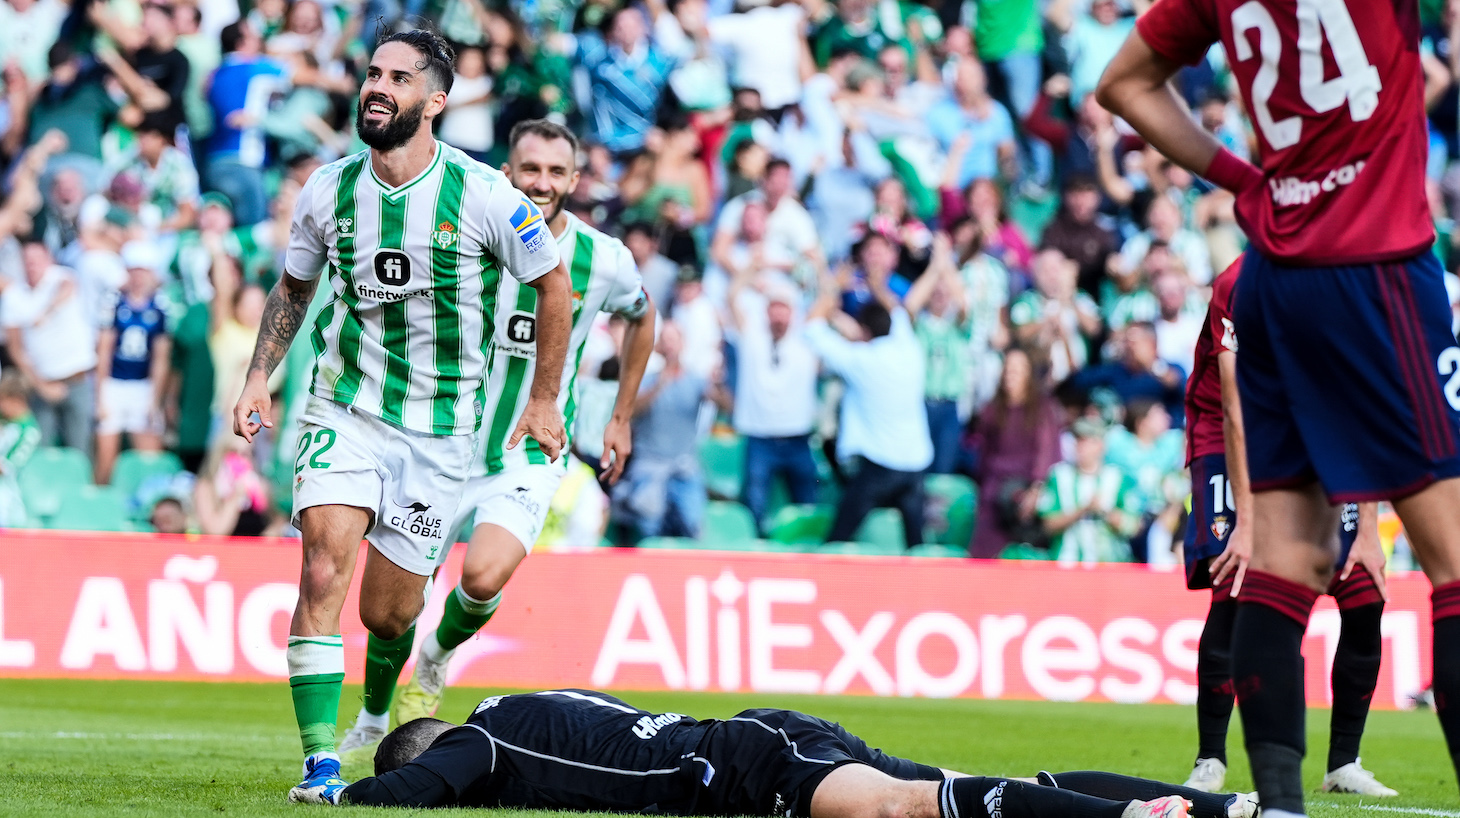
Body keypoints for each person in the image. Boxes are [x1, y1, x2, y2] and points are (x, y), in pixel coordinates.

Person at [1097, 1, 1460, 813]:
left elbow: (1122, 84)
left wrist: (1245, 179)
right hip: (1379, 269)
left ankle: (1281, 806)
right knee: (1455, 561)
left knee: (1284, 568)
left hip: (1273, 277)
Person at [228, 30, 573, 804]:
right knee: (321, 565)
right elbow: (292, 291)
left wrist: (545, 397)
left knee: (388, 615)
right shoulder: (327, 189)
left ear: (435, 101)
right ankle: (320, 763)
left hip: (441, 430)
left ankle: (381, 703)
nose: (377, 87)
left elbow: (554, 286)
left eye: (397, 78)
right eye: (372, 74)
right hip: (344, 406)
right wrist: (259, 378)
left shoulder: (484, 194)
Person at [337, 119, 657, 759]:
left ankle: (434, 659)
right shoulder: (466, 235)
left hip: (525, 450)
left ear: (574, 180)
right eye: (529, 169)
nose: (541, 182)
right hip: (440, 442)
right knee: (393, 608)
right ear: (507, 172)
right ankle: (373, 717)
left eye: (554, 172)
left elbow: (642, 316)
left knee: (482, 577)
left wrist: (620, 415)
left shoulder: (604, 260)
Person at [302, 686, 1258, 818]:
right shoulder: (540, 704)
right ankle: (1230, 807)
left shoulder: (481, 733)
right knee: (965, 789)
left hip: (744, 763)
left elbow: (428, 782)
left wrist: (343, 795)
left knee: (904, 811)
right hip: (759, 731)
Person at [1179, 260, 1394, 797]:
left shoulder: (1346, 284)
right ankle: (1210, 760)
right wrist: (1248, 525)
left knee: (1364, 594)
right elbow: (1233, 408)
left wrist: (1368, 529)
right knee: (1235, 585)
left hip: (1308, 426)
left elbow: (1361, 403)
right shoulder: (1236, 284)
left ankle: (1344, 763)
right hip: (1226, 434)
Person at [807, 278, 932, 547]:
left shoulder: (861, 360)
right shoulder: (910, 349)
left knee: (838, 540)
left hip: (879, 467)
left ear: (863, 331)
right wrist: (876, 283)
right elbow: (896, 311)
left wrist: (832, 285)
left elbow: (812, 328)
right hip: (914, 467)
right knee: (917, 550)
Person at [727, 272, 820, 532]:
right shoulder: (751, 339)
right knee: (753, 508)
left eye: (784, 310)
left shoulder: (807, 340)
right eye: (774, 309)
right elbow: (732, 297)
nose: (779, 317)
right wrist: (753, 267)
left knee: (808, 507)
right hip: (760, 438)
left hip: (798, 439)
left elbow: (828, 299)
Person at [2, 238, 99, 453]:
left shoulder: (61, 277)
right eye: (27, 260)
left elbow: (67, 288)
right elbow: (16, 348)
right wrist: (41, 385)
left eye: (36, 259)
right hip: (42, 384)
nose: (31, 265)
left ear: (49, 260)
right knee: (41, 449)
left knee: (80, 450)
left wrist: (46, 312)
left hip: (77, 380)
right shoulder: (15, 295)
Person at [94, 241, 171, 486]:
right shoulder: (114, 302)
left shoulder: (160, 306)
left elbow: (161, 358)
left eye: (143, 271)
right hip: (114, 383)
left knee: (149, 456)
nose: (138, 277)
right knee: (106, 455)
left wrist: (155, 400)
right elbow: (104, 351)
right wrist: (100, 395)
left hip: (142, 385)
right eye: (134, 271)